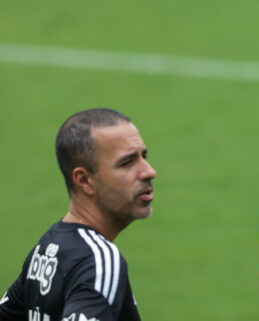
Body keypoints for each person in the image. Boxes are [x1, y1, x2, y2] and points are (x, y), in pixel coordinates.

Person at [0, 108, 156, 321]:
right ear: (84, 181)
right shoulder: (100, 261)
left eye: (143, 156)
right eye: (127, 162)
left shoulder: (45, 252)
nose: (149, 171)